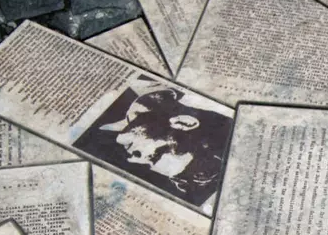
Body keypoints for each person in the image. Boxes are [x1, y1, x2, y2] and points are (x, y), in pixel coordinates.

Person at [77, 81, 230, 206]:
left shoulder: (105, 129)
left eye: (147, 163)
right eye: (155, 154)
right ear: (183, 123)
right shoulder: (148, 83)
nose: (133, 158)